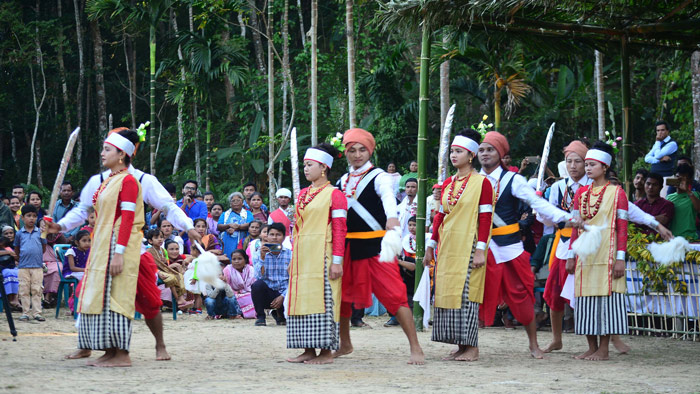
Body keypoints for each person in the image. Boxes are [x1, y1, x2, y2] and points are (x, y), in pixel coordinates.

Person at [51, 127, 199, 364]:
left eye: (107, 147)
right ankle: (88, 344)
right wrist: (59, 227)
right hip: (101, 249)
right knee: (87, 292)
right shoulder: (99, 180)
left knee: (148, 300)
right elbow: (82, 211)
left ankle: (157, 345)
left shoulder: (141, 179)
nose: (102, 152)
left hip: (132, 250)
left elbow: (168, 207)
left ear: (124, 152)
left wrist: (188, 225)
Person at [477, 131, 574, 359]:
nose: (485, 154)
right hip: (481, 247)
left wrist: (564, 217)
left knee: (522, 295)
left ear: (501, 154)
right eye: (481, 149)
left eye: (490, 149)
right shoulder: (472, 180)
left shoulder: (514, 180)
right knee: (473, 296)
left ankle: (533, 344)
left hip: (510, 247)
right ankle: (468, 345)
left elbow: (537, 203)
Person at [336, 128, 424, 365]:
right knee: (342, 297)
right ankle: (345, 343)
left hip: (376, 246)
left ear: (370, 150)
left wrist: (392, 217)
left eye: (362, 149)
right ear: (345, 152)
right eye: (351, 150)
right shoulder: (342, 181)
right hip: (347, 247)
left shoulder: (380, 176)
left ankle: (415, 347)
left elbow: (387, 197)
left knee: (394, 295)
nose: (357, 155)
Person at [424, 129, 493, 361]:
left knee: (466, 295)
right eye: (452, 151)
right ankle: (460, 345)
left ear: (471, 155)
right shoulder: (447, 183)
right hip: (447, 246)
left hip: (470, 245)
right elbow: (439, 216)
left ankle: (472, 347)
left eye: (459, 151)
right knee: (447, 294)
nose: (454, 155)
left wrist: (481, 249)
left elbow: (485, 218)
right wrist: (430, 246)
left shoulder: (482, 183)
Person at [566, 141, 629, 361]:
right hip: (585, 257)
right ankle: (591, 347)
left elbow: (622, 228)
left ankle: (604, 348)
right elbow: (575, 226)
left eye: (593, 164)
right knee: (585, 300)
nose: (588, 168)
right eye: (587, 164)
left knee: (606, 301)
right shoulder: (580, 194)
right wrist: (571, 255)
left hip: (608, 255)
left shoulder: (617, 193)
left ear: (605, 168)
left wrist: (620, 258)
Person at [285, 143, 347, 365]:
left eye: (309, 165)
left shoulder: (336, 195)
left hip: (324, 255)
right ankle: (308, 349)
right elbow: (296, 229)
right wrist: (293, 257)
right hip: (303, 256)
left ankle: (327, 353)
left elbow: (341, 229)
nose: (305, 169)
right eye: (304, 165)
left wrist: (337, 261)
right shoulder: (303, 194)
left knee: (325, 300)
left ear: (323, 167)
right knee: (302, 301)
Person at [541, 140, 589, 353]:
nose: (572, 166)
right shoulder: (558, 188)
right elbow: (549, 220)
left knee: (587, 293)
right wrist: (542, 210)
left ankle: (598, 341)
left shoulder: (592, 187)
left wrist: (565, 220)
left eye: (577, 161)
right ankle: (556, 338)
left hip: (587, 245)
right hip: (562, 245)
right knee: (554, 292)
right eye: (568, 161)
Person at [251, 222, 290, 326]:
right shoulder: (258, 253)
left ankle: (279, 314)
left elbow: (293, 279)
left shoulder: (290, 254)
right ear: (267, 236)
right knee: (257, 285)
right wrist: (262, 258)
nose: (275, 238)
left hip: (285, 293)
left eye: (278, 235)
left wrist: (283, 296)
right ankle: (260, 317)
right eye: (272, 235)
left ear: (284, 237)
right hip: (269, 292)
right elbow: (259, 277)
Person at [13, 205, 46, 322]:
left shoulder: (40, 233)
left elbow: (43, 248)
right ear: (22, 218)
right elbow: (16, 248)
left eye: (34, 216)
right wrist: (19, 258)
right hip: (23, 266)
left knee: (37, 289)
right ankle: (25, 313)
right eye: (28, 216)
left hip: (37, 266)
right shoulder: (19, 234)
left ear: (37, 218)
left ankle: (37, 313)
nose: (31, 218)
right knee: (24, 289)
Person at [386, 215, 419, 327]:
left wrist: (399, 262)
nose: (412, 227)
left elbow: (414, 266)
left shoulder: (425, 238)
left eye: (415, 225)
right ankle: (395, 316)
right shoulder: (406, 240)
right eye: (410, 225)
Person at [146, 229, 188, 310]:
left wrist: (165, 262)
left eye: (161, 237)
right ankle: (178, 300)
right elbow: (150, 266)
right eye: (156, 237)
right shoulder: (149, 251)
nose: (160, 239)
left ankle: (182, 299)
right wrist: (158, 273)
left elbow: (166, 265)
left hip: (164, 271)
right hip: (155, 274)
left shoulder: (163, 250)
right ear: (150, 241)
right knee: (171, 278)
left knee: (179, 275)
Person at [666, 163, 700, 240]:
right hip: (673, 239)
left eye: (683, 178)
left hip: (690, 238)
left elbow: (698, 209)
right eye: (677, 177)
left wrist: (687, 191)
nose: (680, 181)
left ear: (690, 181)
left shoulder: (695, 195)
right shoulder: (669, 197)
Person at [218, 192, 253, 259]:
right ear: (230, 204)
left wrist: (238, 227)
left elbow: (250, 224)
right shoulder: (225, 214)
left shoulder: (248, 213)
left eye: (238, 200)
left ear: (242, 202)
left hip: (243, 240)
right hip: (228, 241)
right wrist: (228, 226)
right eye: (233, 201)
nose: (235, 202)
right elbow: (219, 226)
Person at [0, 231, 20, 310]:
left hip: (10, 267)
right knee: (8, 273)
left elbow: (17, 257)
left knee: (17, 272)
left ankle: (14, 299)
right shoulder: (7, 250)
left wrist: (14, 256)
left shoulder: (10, 248)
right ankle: (10, 300)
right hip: (2, 269)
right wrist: (7, 252)